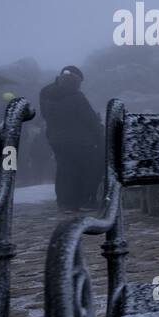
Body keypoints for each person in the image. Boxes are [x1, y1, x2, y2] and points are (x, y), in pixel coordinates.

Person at [38, 65, 104, 211]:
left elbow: (47, 115)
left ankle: (66, 203)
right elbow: (91, 119)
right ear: (76, 80)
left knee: (65, 169)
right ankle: (86, 201)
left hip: (57, 140)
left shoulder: (46, 93)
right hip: (83, 141)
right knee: (90, 167)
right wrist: (100, 135)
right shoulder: (77, 97)